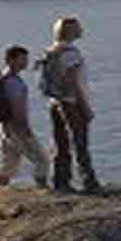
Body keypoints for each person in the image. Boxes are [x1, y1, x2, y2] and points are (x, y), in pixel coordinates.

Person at [40, 16, 101, 194]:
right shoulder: (70, 53)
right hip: (71, 103)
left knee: (60, 143)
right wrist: (85, 107)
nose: (81, 29)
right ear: (70, 31)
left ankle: (61, 182)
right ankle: (89, 183)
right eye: (77, 27)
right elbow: (72, 82)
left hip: (55, 102)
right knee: (79, 142)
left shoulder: (51, 50)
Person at [0, 45, 48, 189]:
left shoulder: (0, 77)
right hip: (16, 128)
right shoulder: (14, 83)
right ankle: (43, 190)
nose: (25, 63)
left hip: (2, 127)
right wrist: (26, 130)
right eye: (22, 60)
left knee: (8, 160)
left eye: (26, 59)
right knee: (42, 160)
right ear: (10, 60)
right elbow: (18, 109)